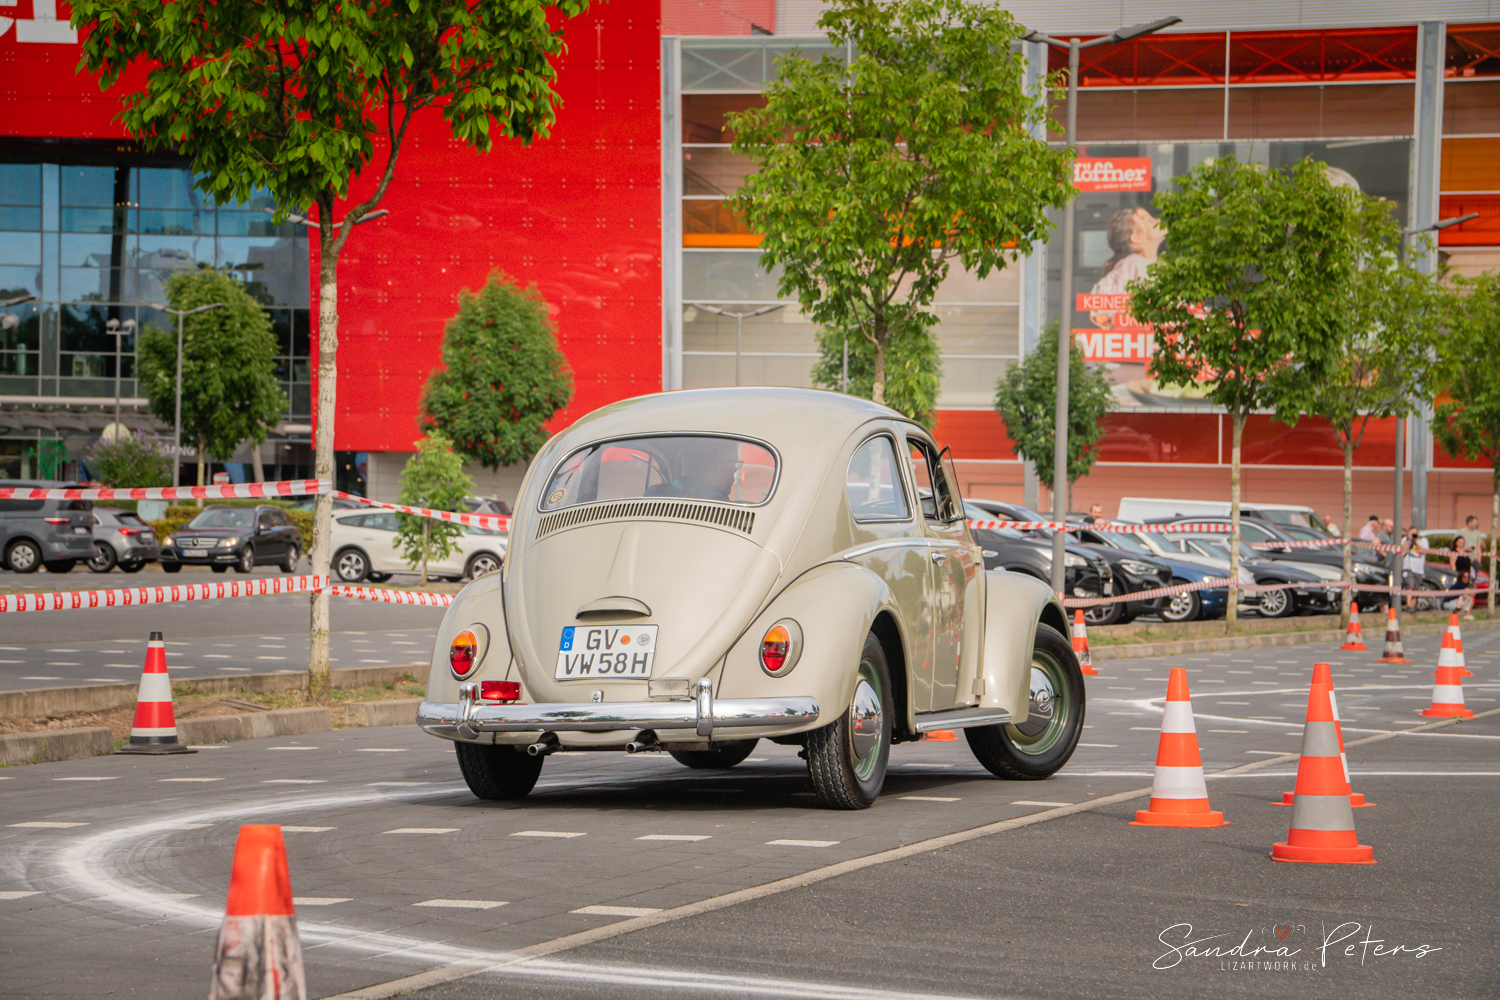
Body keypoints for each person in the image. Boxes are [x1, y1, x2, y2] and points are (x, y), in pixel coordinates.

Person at [1088, 207, 1165, 328]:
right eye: (1149, 220)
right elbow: (1101, 294)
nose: (1158, 220)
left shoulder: (1159, 264)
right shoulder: (1133, 263)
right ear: (1137, 238)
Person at [1401, 527, 1428, 611]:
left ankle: (1412, 607)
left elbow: (1424, 551)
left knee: (1415, 588)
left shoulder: (1423, 541)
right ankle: (1408, 605)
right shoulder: (1404, 540)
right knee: (1409, 584)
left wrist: (1415, 542)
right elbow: (1402, 551)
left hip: (1418, 569)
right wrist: (1407, 540)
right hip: (1407, 567)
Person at [1450, 536, 1475, 620]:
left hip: (1467, 577)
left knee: (1470, 595)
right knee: (1465, 593)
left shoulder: (1465, 553)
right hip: (1459, 577)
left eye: (1462, 542)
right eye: (1459, 542)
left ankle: (1467, 613)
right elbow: (1453, 566)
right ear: (1456, 543)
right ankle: (1458, 609)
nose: (1461, 543)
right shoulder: (1454, 553)